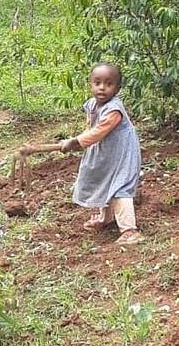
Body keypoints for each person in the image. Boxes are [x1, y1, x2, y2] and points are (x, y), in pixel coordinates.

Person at [60, 63, 142, 244]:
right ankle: (106, 218)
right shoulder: (91, 105)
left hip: (122, 155)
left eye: (109, 84)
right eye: (97, 83)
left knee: (120, 188)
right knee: (104, 181)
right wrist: (78, 139)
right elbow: (91, 128)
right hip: (105, 153)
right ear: (90, 84)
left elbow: (99, 131)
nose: (102, 88)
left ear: (117, 88)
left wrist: (76, 142)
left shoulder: (114, 109)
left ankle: (130, 230)